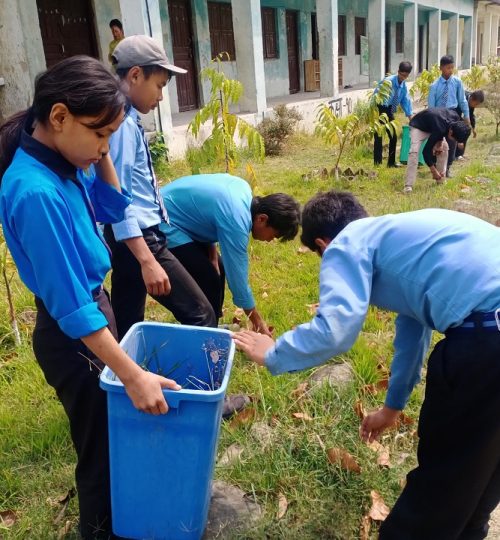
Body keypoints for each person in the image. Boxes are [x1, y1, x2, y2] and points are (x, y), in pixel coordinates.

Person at [234, 190, 500, 540]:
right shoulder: (401, 240)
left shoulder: (346, 243)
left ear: (322, 245)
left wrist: (273, 353)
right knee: (483, 467)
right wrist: (392, 409)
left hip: (487, 342)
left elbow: (337, 328)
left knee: (440, 485)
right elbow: (412, 335)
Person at [0, 56, 181, 539]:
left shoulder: (63, 162)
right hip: (74, 335)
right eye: (99, 135)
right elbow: (71, 308)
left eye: (110, 136)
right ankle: (97, 531)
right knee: (99, 452)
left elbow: (109, 205)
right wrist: (133, 374)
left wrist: (98, 147)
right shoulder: (35, 191)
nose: (105, 148)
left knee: (110, 439)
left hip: (90, 318)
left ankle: (120, 520)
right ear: (58, 117)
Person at [105, 35, 217, 341]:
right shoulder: (122, 125)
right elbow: (118, 199)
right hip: (139, 239)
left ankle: (123, 384)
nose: (161, 97)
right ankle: (205, 387)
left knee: (127, 322)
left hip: (131, 239)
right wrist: (147, 260)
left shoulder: (123, 118)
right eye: (160, 85)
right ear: (136, 75)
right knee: (201, 314)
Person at [160, 173, 301, 336]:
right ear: (262, 219)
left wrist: (212, 256)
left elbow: (205, 218)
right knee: (205, 274)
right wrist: (257, 322)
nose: (270, 241)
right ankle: (203, 332)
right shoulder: (237, 219)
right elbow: (238, 281)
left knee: (216, 267)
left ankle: (211, 328)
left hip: (178, 218)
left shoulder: (242, 190)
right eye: (273, 235)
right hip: (162, 221)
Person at [403, 108, 471, 193]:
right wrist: (433, 170)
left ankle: (441, 180)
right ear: (451, 132)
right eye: (454, 139)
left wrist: (440, 143)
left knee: (444, 148)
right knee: (414, 151)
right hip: (418, 126)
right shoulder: (440, 128)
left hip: (434, 126)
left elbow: (444, 128)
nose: (454, 141)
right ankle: (408, 185)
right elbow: (426, 152)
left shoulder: (456, 119)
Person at [428, 55, 470, 177]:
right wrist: (433, 120)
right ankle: (436, 165)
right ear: (441, 68)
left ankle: (448, 168)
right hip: (439, 115)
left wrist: (466, 116)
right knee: (437, 140)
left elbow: (462, 100)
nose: (450, 70)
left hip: (453, 113)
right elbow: (431, 105)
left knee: (452, 142)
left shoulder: (457, 82)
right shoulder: (434, 86)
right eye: (448, 68)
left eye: (452, 68)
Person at [373, 61, 413, 167]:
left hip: (390, 109)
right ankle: (377, 163)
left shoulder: (403, 86)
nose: (403, 77)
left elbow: (405, 100)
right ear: (398, 72)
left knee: (393, 136)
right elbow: (376, 95)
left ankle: (391, 163)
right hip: (380, 108)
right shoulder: (388, 82)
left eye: (406, 76)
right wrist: (378, 112)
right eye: (401, 75)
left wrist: (410, 116)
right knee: (379, 135)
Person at [456, 89, 485, 159]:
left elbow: (471, 115)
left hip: (460, 116)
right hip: (453, 114)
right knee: (460, 130)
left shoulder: (471, 102)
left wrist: (473, 128)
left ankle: (460, 154)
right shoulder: (461, 97)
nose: (476, 106)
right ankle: (456, 155)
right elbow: (457, 113)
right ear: (471, 99)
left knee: (467, 130)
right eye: (476, 104)